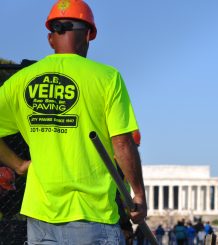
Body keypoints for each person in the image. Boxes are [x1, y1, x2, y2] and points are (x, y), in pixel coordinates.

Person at [0, 0, 147, 244]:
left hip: (40, 214)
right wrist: (139, 194)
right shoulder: (107, 78)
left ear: (50, 39)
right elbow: (122, 143)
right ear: (89, 35)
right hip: (92, 215)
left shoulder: (20, 81)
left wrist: (18, 165)